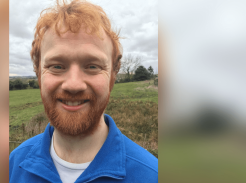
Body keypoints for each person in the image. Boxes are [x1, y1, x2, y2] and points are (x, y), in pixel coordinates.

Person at [9, 0, 158, 182]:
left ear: (113, 76)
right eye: (57, 66)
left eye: (92, 66)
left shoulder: (152, 175)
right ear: (38, 74)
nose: (73, 85)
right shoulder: (12, 165)